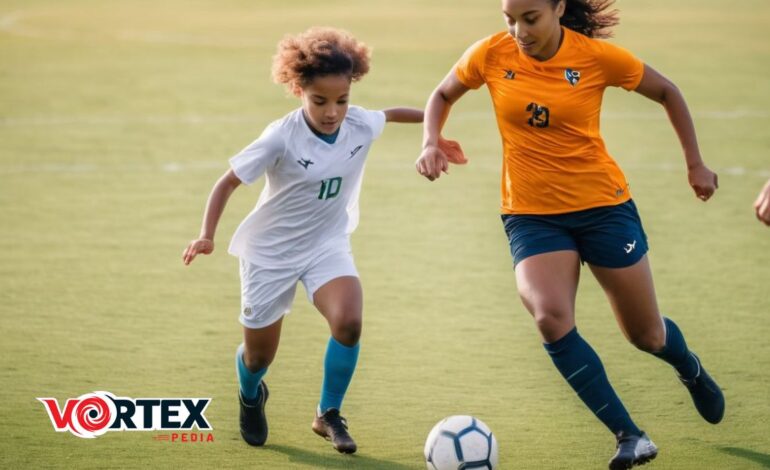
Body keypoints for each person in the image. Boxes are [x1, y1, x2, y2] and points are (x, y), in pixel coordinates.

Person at [415, 1, 724, 468]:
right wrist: (430, 141)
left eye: (530, 18)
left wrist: (695, 163)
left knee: (646, 335)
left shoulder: (596, 58)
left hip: (604, 209)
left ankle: (688, 366)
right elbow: (442, 94)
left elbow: (667, 92)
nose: (519, 30)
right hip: (531, 215)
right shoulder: (490, 53)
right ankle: (629, 436)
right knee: (549, 317)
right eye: (509, 18)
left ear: (559, 8)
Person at [182, 27, 451, 454]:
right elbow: (227, 182)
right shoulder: (280, 137)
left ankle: (328, 414)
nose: (332, 112)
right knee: (258, 359)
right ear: (298, 90)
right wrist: (206, 236)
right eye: (319, 101)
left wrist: (432, 137)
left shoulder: (359, 122)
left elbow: (395, 114)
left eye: (341, 100)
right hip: (270, 255)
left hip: (326, 244)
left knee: (349, 322)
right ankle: (251, 394)